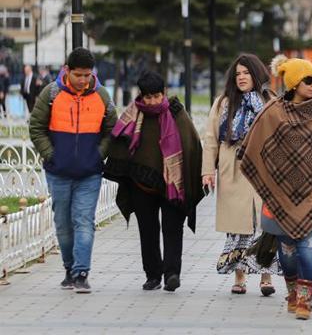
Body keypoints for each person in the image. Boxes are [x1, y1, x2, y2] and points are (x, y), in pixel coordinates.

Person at [240, 55, 312, 321]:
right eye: (308, 80)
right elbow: (256, 149)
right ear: (295, 83)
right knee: (286, 248)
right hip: (279, 193)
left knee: (308, 244)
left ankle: (305, 299)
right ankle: (293, 291)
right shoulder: (273, 111)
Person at [104, 71, 204, 292]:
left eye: (156, 96)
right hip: (141, 184)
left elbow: (192, 145)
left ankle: (171, 274)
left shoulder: (178, 114)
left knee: (172, 228)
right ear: (141, 96)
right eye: (147, 97)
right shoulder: (133, 114)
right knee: (147, 230)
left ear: (164, 93)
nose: (152, 102)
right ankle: (152, 275)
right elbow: (120, 142)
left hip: (172, 186)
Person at [28, 47, 117, 293]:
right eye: (79, 75)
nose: (83, 80)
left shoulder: (101, 96)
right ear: (67, 71)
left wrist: (99, 154)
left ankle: (81, 273)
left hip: (90, 173)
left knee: (84, 221)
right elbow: (36, 127)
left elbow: (113, 128)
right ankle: (69, 268)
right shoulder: (52, 94)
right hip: (58, 172)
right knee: (63, 224)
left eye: (87, 75)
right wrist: (51, 154)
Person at [202, 54, 278, 295]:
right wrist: (207, 171)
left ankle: (266, 276)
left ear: (256, 75)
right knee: (238, 227)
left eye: (246, 73)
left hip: (262, 170)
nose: (242, 77)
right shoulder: (223, 103)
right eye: (238, 74)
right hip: (232, 169)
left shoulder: (270, 101)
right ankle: (239, 276)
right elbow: (211, 139)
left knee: (265, 223)